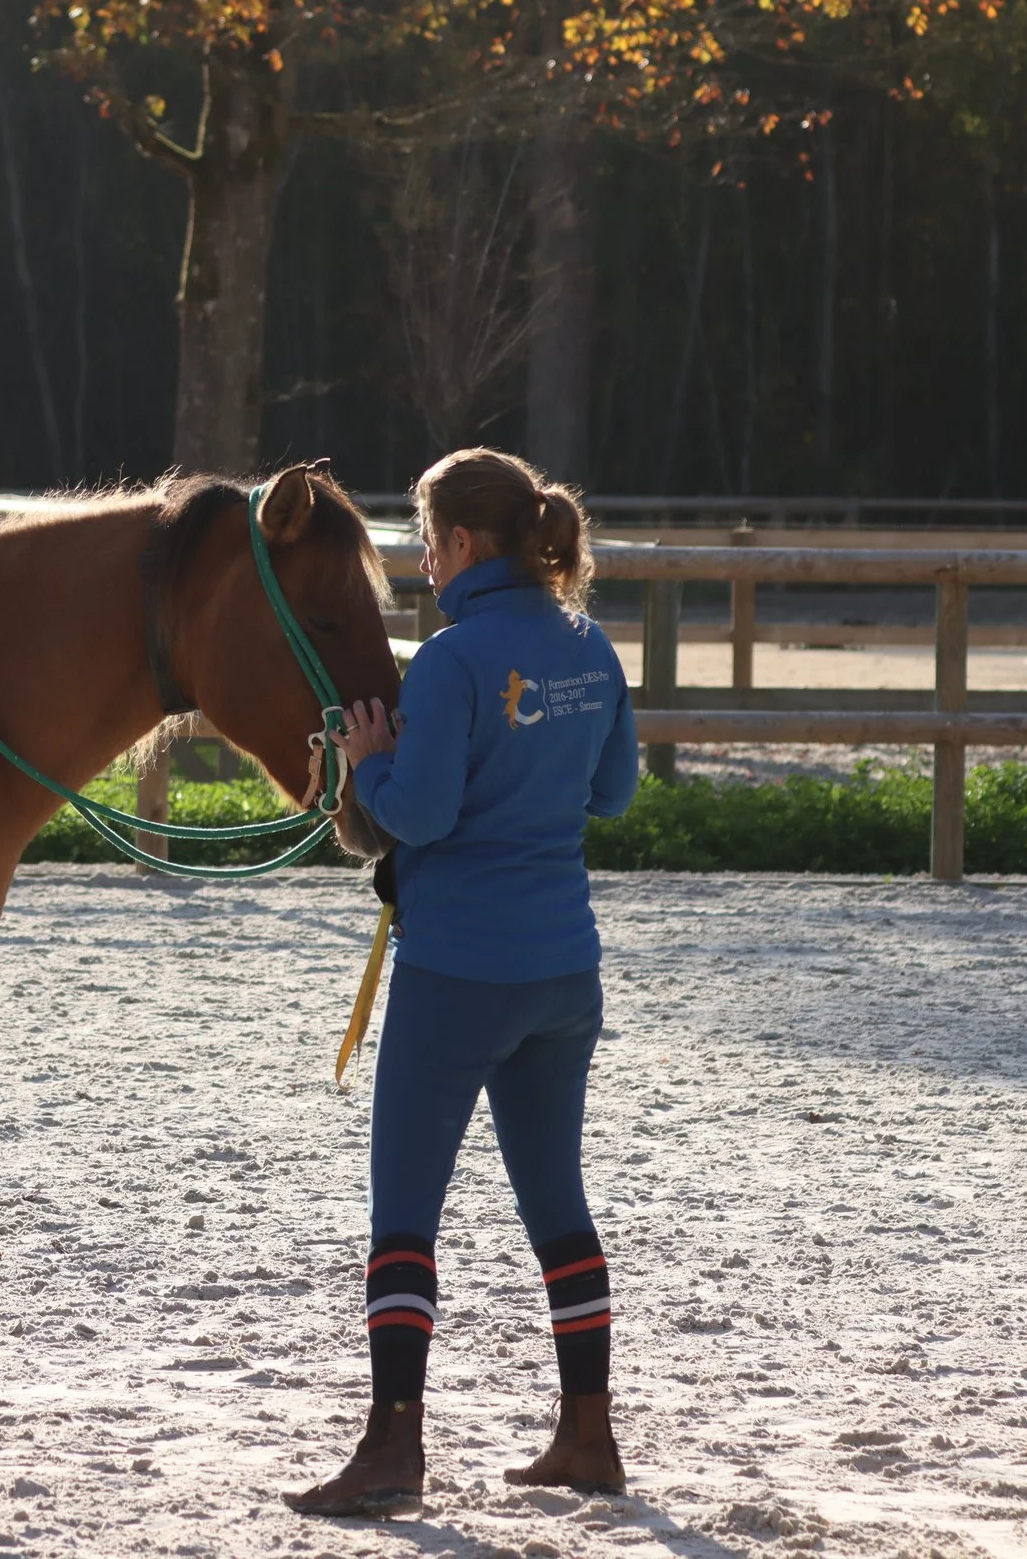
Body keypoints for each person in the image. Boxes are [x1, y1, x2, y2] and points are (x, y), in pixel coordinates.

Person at [285, 447, 639, 1518]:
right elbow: (615, 791)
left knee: (404, 1213)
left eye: (428, 538)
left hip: (456, 971)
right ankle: (588, 1432)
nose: (422, 558)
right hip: (562, 967)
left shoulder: (446, 659)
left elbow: (419, 815)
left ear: (467, 544)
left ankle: (393, 1448)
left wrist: (364, 761)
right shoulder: (588, 641)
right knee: (556, 1205)